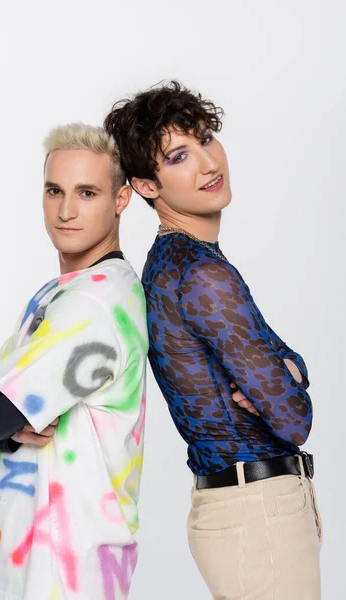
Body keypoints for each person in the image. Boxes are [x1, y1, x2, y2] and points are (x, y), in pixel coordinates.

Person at [104, 81, 322, 600]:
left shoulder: (173, 263)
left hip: (239, 510)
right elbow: (295, 420)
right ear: (145, 185)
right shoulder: (203, 276)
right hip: (259, 512)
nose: (208, 163)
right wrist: (283, 380)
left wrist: (286, 370)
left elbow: (287, 362)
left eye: (206, 139)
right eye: (180, 156)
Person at [0, 123, 148, 600]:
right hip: (31, 565)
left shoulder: (97, 301)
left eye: (87, 192)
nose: (66, 211)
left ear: (121, 198)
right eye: (55, 191)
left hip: (67, 572)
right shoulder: (62, 291)